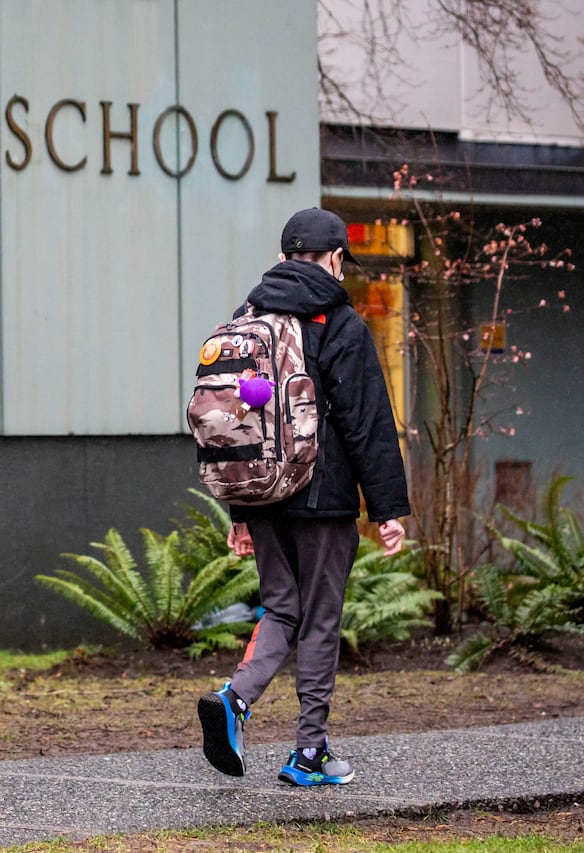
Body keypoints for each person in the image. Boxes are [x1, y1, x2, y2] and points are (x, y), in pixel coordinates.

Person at [197, 207, 410, 787]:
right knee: (318, 618)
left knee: (281, 606)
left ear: (286, 255)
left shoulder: (248, 318)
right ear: (336, 257)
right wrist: (387, 509)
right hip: (323, 497)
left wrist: (241, 509)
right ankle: (309, 752)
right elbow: (368, 423)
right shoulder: (340, 322)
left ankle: (236, 698)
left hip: (264, 493)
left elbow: (236, 425)